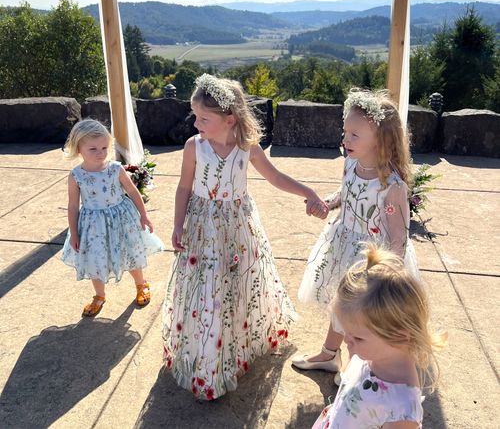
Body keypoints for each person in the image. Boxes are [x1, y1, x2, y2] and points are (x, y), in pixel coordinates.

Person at [162, 73, 328, 400]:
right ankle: (208, 361)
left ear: (229, 119)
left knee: (235, 284)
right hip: (202, 226)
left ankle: (231, 343)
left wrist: (307, 192)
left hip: (237, 226)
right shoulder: (194, 147)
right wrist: (178, 224)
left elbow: (275, 176)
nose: (196, 124)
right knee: (207, 288)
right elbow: (184, 187)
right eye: (195, 116)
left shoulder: (246, 148)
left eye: (203, 118)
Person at [293, 88, 419, 375]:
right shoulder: (351, 163)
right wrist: (327, 204)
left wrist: (386, 274)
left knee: (362, 314)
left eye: (354, 135)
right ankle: (329, 354)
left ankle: (358, 367)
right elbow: (346, 192)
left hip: (371, 256)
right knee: (341, 304)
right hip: (343, 243)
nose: (345, 139)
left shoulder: (392, 185)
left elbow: (398, 235)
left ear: (380, 139)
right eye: (345, 131)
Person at [312, 244, 446, 428]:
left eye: (357, 338)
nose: (346, 341)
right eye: (346, 332)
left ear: (398, 336)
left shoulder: (402, 410)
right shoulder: (367, 355)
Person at [61, 119, 164, 316]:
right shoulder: (76, 176)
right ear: (78, 149)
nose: (101, 153)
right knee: (95, 259)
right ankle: (99, 295)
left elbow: (133, 193)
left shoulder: (115, 168)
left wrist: (143, 216)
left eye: (104, 147)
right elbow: (73, 206)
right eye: (93, 149)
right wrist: (74, 233)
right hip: (92, 225)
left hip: (122, 220)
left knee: (130, 251)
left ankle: (141, 284)